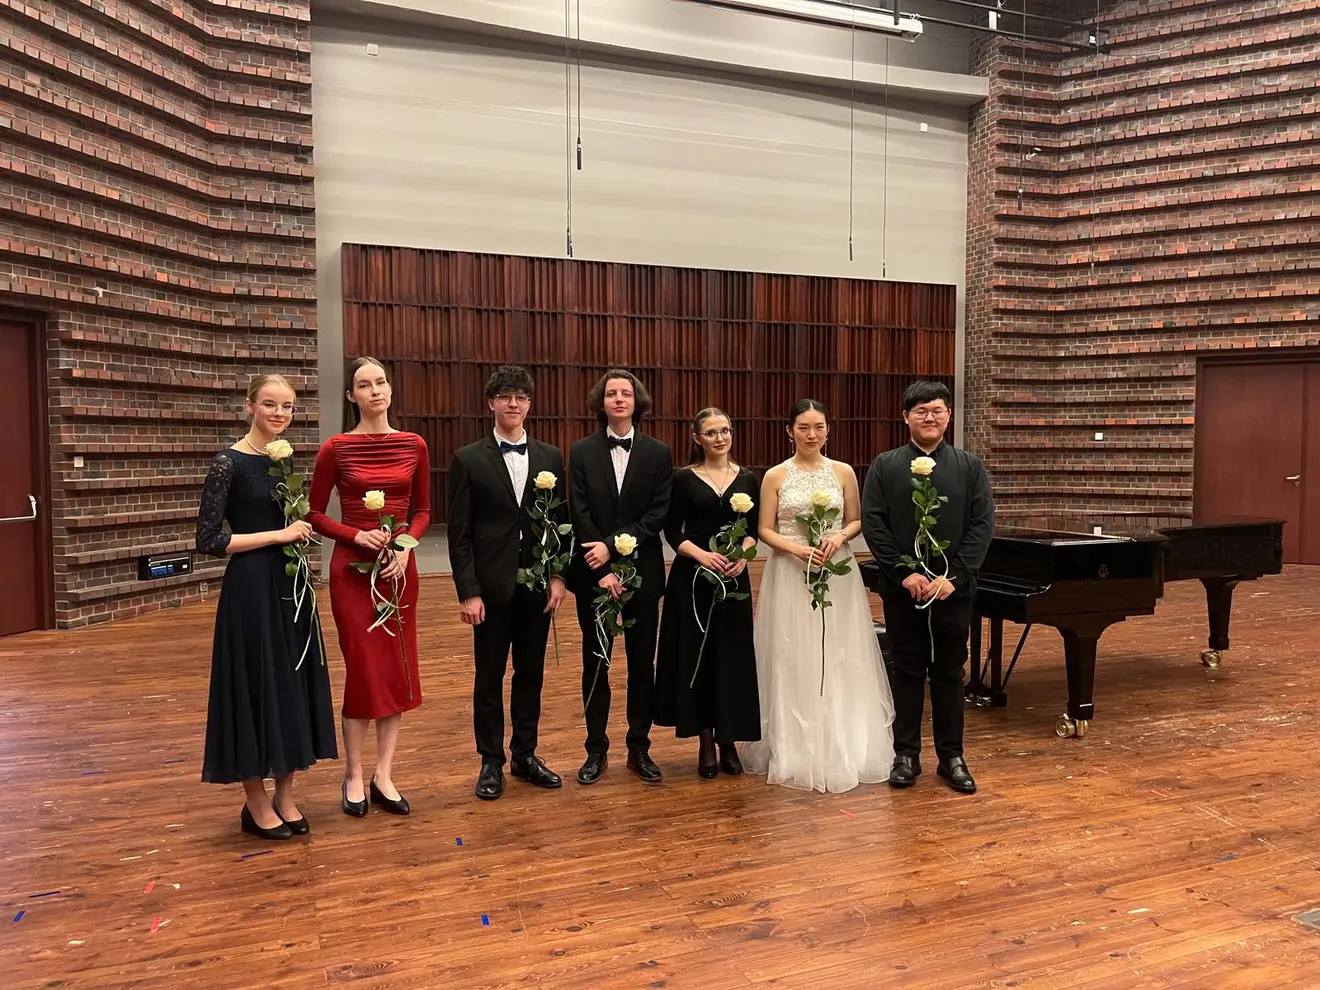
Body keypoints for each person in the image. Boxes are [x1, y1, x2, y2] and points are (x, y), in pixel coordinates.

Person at [197, 374, 337, 840]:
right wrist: (280, 535)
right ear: (249, 406)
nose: (280, 414)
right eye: (270, 404)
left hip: (290, 585)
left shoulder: (284, 459)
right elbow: (209, 539)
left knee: (291, 684)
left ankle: (285, 794)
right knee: (256, 686)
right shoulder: (227, 463)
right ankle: (255, 801)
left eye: (288, 407)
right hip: (251, 589)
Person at [741, 399, 895, 793]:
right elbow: (765, 529)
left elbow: (856, 520)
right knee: (792, 651)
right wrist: (797, 549)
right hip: (790, 571)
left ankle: (844, 742)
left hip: (836, 569)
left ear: (828, 430)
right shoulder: (775, 475)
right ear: (789, 431)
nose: (812, 435)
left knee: (840, 650)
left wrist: (839, 536)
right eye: (804, 427)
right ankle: (793, 746)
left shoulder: (843, 472)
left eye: (819, 427)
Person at [307, 357, 431, 818]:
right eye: (364, 384)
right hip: (352, 571)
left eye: (380, 382)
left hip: (397, 570)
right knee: (362, 669)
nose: (375, 390)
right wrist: (355, 535)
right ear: (351, 396)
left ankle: (384, 774)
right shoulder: (336, 448)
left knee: (395, 669)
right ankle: (354, 773)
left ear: (390, 389)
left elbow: (423, 510)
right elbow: (314, 514)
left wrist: (406, 547)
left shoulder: (414, 444)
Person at [861, 380, 994, 794]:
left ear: (948, 416)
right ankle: (905, 755)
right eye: (920, 411)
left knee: (950, 672)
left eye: (937, 410)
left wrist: (954, 577)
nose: (930, 417)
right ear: (906, 417)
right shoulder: (885, 466)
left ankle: (952, 756)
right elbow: (874, 524)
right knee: (906, 670)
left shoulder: (969, 466)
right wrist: (904, 573)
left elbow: (981, 525)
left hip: (953, 589)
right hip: (904, 589)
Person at [448, 365, 569, 800]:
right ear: (491, 403)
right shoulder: (468, 459)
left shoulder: (550, 457)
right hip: (491, 588)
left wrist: (558, 576)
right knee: (489, 678)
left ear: (529, 404)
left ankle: (525, 755)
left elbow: (561, 522)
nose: (513, 403)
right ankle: (490, 761)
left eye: (520, 396)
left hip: (537, 589)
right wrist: (469, 591)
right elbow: (459, 533)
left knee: (531, 675)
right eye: (505, 396)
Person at [567, 369, 673, 785]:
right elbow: (578, 512)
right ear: (602, 402)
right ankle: (595, 750)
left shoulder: (658, 453)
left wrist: (613, 547)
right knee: (596, 664)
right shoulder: (581, 451)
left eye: (625, 393)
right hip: (594, 575)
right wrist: (603, 566)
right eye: (611, 393)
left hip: (642, 574)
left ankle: (639, 747)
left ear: (636, 401)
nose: (618, 399)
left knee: (642, 666)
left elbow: (658, 512)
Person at [654, 408, 761, 777]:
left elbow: (753, 530)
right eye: (712, 433)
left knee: (730, 658)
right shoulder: (683, 479)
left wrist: (744, 555)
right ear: (697, 438)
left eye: (725, 431)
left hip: (733, 579)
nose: (720, 438)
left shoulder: (747, 478)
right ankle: (704, 738)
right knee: (696, 657)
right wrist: (702, 556)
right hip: (693, 578)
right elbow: (672, 531)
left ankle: (728, 739)